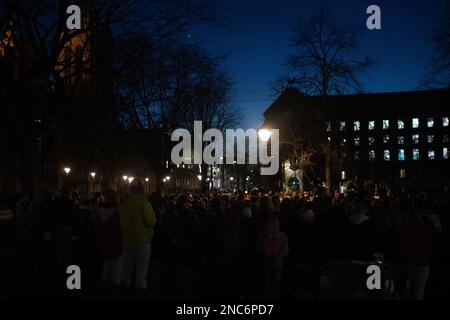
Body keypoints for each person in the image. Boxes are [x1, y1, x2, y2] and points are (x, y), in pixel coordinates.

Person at [119, 180, 156, 290]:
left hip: (127, 241)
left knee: (126, 270)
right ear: (142, 189)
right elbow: (151, 221)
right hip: (142, 242)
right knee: (141, 271)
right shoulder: (144, 203)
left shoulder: (123, 203)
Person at [257, 214, 289, 299]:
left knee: (265, 284)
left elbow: (258, 249)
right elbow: (285, 250)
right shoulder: (282, 235)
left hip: (265, 261)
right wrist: (280, 255)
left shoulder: (262, 234)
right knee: (276, 285)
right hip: (277, 261)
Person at [95, 188, 122, 285]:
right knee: (116, 270)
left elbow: (97, 228)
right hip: (116, 244)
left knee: (105, 267)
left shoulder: (99, 211)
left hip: (104, 243)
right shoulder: (117, 212)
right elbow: (118, 229)